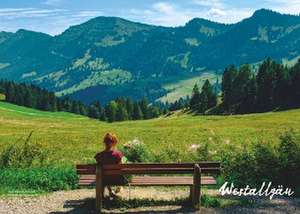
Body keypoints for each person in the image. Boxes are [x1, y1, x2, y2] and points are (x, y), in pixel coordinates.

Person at [94, 132, 125, 197]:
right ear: (114, 143)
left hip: (103, 180)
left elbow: (98, 167)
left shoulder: (99, 156)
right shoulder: (118, 154)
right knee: (116, 175)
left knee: (103, 175)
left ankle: (105, 195)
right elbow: (121, 168)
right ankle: (118, 190)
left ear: (105, 142)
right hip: (117, 180)